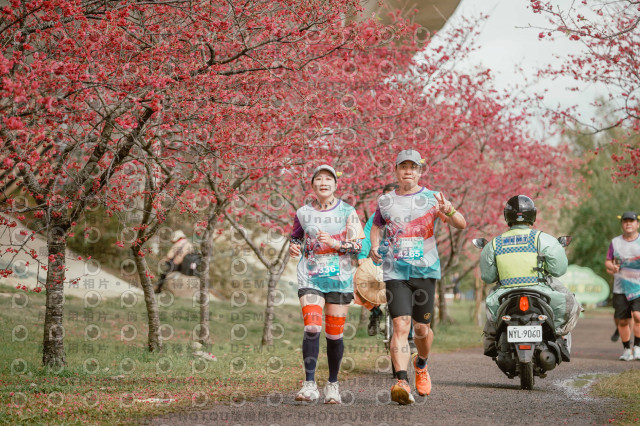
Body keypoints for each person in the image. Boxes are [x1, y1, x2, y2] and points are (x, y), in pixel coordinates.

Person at [369, 149, 467, 405]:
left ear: (420, 172)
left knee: (422, 330)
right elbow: (377, 226)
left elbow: (461, 224)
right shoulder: (385, 201)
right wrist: (374, 245)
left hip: (425, 270)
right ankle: (401, 381)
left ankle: (421, 364)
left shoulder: (433, 198)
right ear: (396, 171)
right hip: (395, 271)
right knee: (401, 326)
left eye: (413, 167)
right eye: (403, 167)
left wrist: (449, 210)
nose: (408, 171)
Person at [289, 164, 364, 403]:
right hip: (310, 277)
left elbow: (358, 246)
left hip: (340, 281)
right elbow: (295, 237)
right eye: (319, 179)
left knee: (334, 335)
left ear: (335, 185)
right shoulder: (303, 212)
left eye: (328, 179)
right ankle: (309, 384)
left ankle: (332, 384)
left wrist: (334, 243)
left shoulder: (348, 211)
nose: (323, 183)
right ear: (312, 185)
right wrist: (293, 247)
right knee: (312, 327)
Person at [480, 195, 579, 359]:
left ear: (507, 216)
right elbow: (559, 270)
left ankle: (490, 341)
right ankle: (561, 339)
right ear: (533, 215)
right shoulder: (543, 239)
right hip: (541, 293)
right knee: (570, 303)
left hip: (504, 296)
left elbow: (488, 277)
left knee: (492, 318)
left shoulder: (493, 244)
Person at [357, 183, 417, 353]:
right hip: (379, 262)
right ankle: (375, 311)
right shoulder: (376, 217)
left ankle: (409, 336)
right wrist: (362, 256)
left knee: (409, 299)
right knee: (360, 286)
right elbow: (367, 235)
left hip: (403, 262)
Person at [605, 211, 640, 361]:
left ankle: (637, 347)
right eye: (625, 221)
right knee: (624, 320)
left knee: (638, 316)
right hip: (620, 288)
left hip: (638, 287)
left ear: (637, 224)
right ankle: (627, 349)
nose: (628, 224)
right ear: (622, 224)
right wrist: (612, 267)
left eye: (631, 221)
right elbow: (608, 261)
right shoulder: (615, 242)